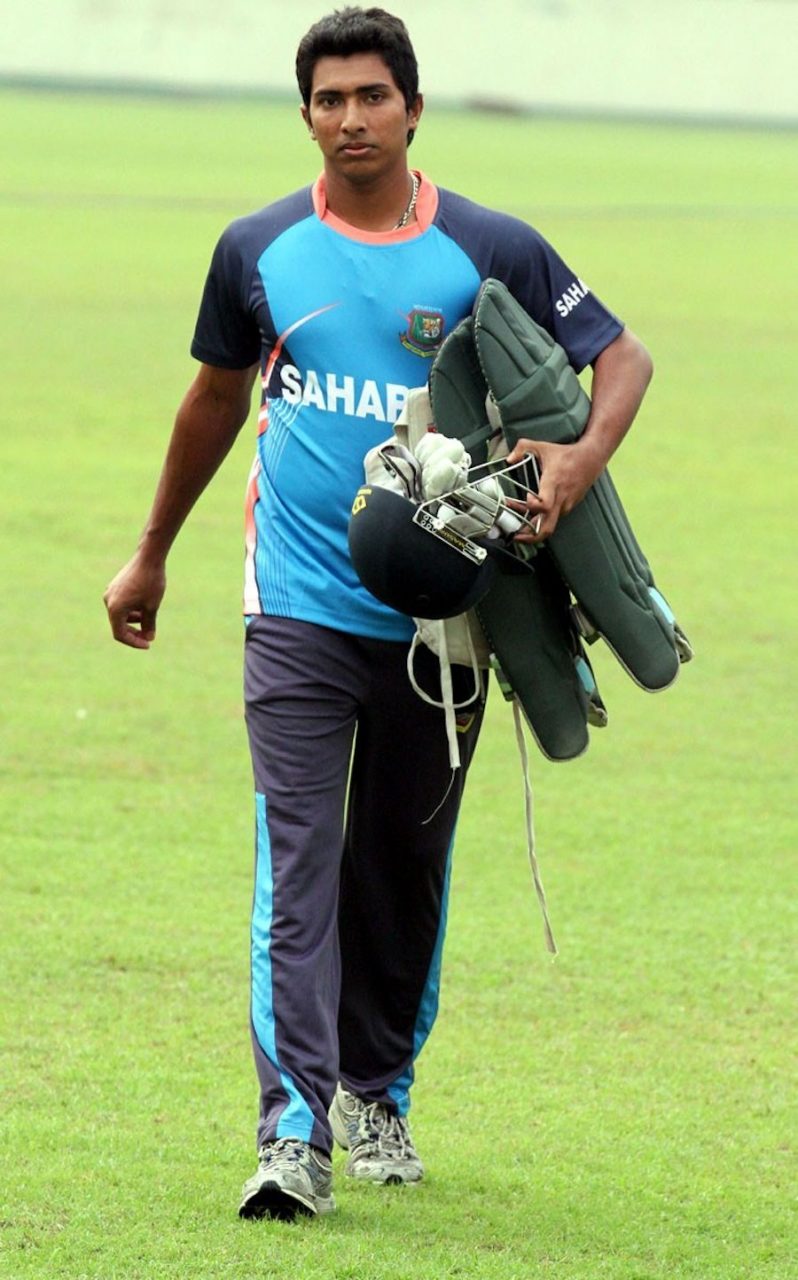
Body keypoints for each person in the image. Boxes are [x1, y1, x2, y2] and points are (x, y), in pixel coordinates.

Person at [103, 5, 653, 1223]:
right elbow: (211, 404)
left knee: (401, 866)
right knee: (295, 866)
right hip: (294, 606)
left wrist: (575, 463)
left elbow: (621, 360)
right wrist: (149, 554)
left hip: (446, 624)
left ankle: (377, 1091)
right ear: (304, 114)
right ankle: (291, 1130)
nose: (351, 118)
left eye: (372, 95)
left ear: (413, 104)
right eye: (328, 99)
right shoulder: (258, 250)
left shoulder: (488, 246)